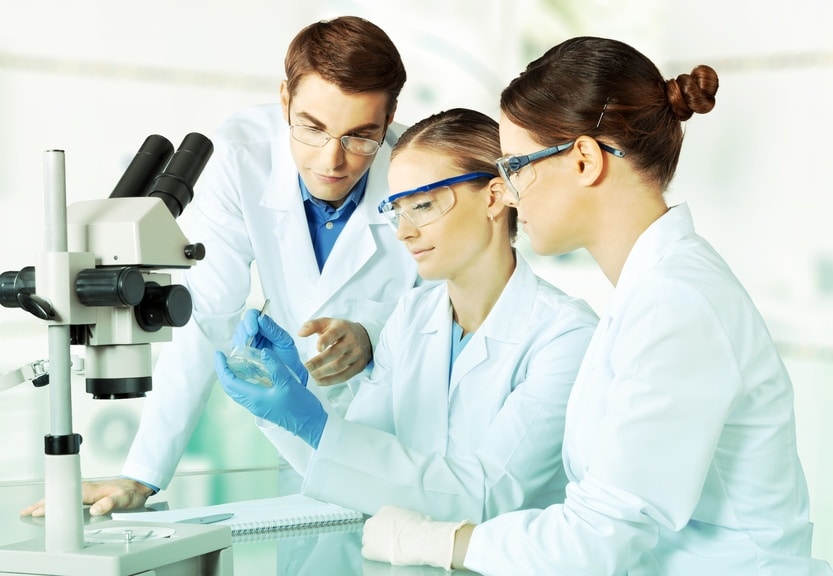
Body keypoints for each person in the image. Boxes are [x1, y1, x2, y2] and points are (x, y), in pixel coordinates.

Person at [360, 36, 833, 574]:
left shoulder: (676, 304)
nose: (508, 195)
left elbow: (597, 539)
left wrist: (430, 542)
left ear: (584, 159)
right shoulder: (651, 291)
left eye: (515, 167)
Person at [21, 15, 418, 517]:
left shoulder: (419, 168)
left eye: (361, 136)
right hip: (296, 434)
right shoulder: (242, 152)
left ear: (390, 118)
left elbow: (454, 302)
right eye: (311, 128)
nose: (331, 160)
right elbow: (203, 313)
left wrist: (374, 335)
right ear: (284, 99)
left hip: (406, 438)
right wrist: (143, 473)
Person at [214, 108, 598, 523]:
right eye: (398, 209)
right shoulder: (412, 316)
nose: (403, 231)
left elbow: (488, 492)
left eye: (425, 205)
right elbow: (358, 475)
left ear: (493, 197)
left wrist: (312, 423)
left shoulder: (566, 336)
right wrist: (294, 399)